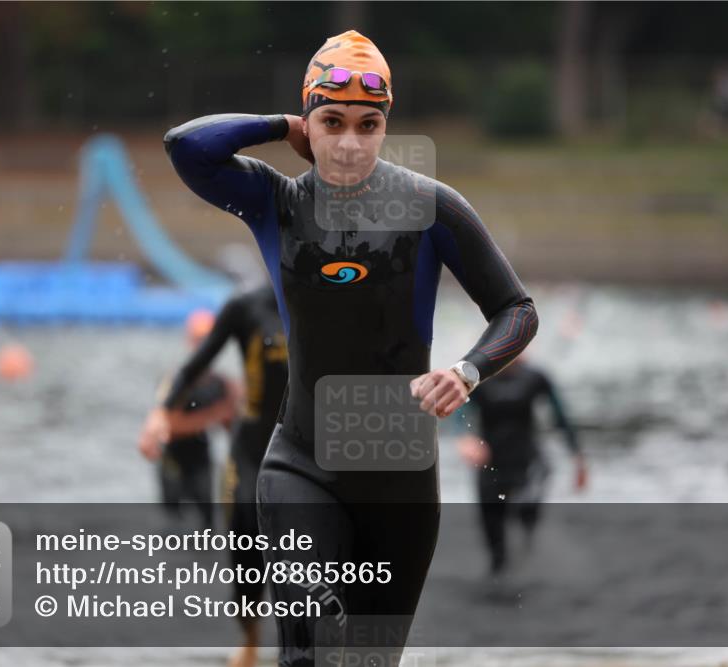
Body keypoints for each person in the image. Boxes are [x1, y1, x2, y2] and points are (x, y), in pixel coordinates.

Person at [163, 29, 538, 666]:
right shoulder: (275, 201)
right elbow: (187, 147)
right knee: (310, 647)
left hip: (401, 482)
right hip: (301, 465)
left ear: (385, 127)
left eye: (368, 125)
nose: (348, 142)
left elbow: (517, 311)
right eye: (331, 121)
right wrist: (282, 125)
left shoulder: (431, 208)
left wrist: (468, 371)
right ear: (309, 120)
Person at [142, 285, 288, 667]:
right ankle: (251, 642)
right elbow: (191, 367)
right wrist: (159, 414)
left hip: (304, 450)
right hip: (250, 452)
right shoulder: (246, 308)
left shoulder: (325, 303)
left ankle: (305, 645)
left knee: (303, 554)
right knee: (245, 552)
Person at [457, 356, 587, 577]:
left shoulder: (535, 378)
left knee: (525, 508)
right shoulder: (477, 380)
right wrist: (464, 438)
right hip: (490, 464)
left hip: (528, 462)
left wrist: (577, 457)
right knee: (494, 537)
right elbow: (459, 410)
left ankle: (530, 560)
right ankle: (498, 574)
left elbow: (561, 418)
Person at [138, 310, 238, 530]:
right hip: (173, 462)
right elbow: (168, 427)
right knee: (173, 528)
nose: (203, 346)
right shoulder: (176, 380)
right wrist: (215, 414)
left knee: (208, 525)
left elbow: (233, 427)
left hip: (202, 459)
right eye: (198, 339)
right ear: (189, 340)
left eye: (208, 340)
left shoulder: (221, 384)